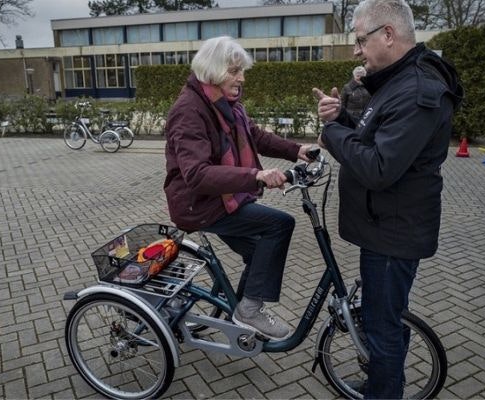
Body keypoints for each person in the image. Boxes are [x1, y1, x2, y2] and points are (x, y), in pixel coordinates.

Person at [313, 0, 463, 398]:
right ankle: (384, 379)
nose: (357, 50)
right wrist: (340, 120)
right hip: (386, 228)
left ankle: (385, 390)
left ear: (389, 35)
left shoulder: (416, 90)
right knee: (385, 322)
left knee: (382, 329)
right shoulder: (397, 82)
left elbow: (380, 166)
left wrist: (332, 135)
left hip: (392, 236)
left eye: (361, 40)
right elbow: (373, 137)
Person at [164, 36, 312, 341]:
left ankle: (243, 311)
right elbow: (197, 175)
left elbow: (254, 136)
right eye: (234, 71)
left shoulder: (225, 104)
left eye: (240, 70)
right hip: (200, 203)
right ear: (214, 71)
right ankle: (249, 311)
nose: (241, 77)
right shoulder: (189, 110)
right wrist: (255, 175)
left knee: (262, 250)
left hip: (223, 198)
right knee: (279, 225)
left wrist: (297, 150)